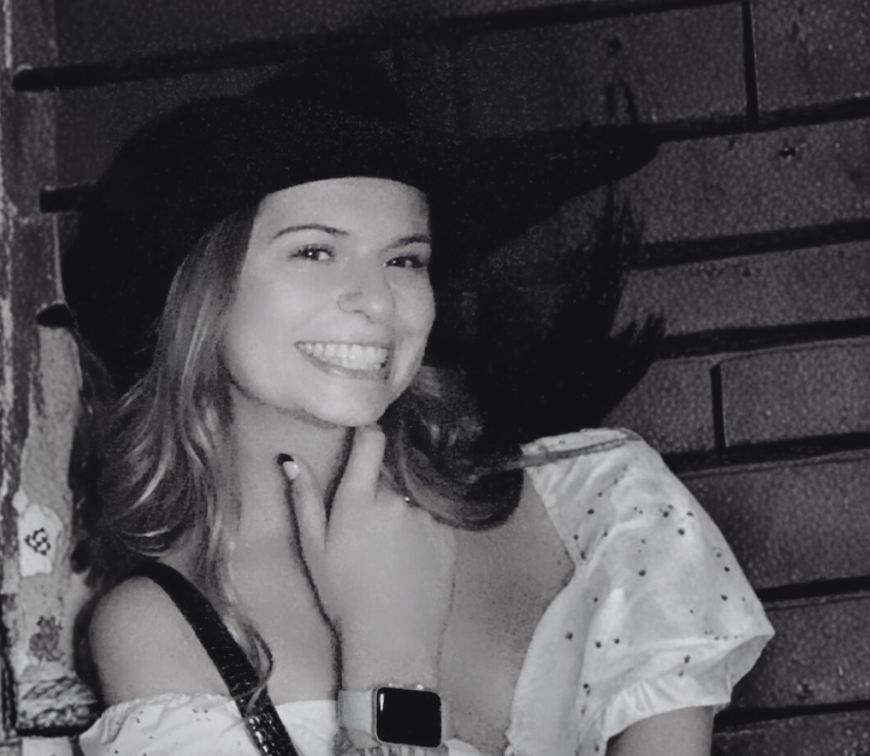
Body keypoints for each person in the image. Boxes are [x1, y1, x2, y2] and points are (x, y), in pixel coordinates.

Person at [64, 54, 772, 756]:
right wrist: (388, 655)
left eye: (405, 260)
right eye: (315, 252)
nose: (376, 300)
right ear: (204, 295)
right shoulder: (166, 630)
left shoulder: (602, 507)